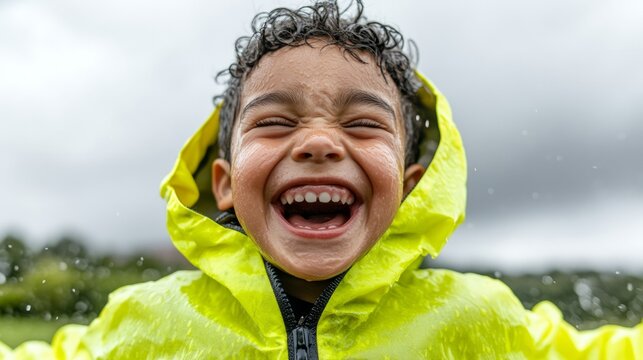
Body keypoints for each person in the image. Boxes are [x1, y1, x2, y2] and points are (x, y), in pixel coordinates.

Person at [2, 1, 641, 358]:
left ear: (413, 184)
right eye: (275, 123)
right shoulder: (140, 323)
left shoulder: (482, 322)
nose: (315, 143)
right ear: (224, 183)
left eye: (363, 124)